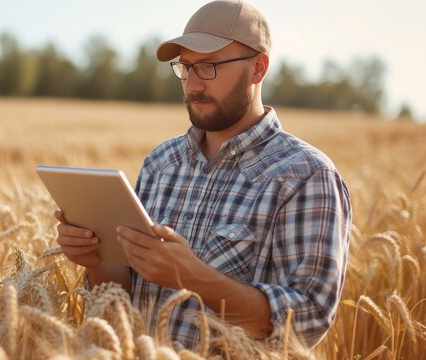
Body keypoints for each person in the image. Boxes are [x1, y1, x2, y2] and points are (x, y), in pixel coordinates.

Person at [55, 0, 351, 350]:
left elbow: (307, 322)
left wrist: (195, 278)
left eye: (209, 66)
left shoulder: (305, 176)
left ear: (258, 68)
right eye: (186, 67)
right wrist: (97, 261)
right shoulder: (161, 163)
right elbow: (128, 297)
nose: (193, 84)